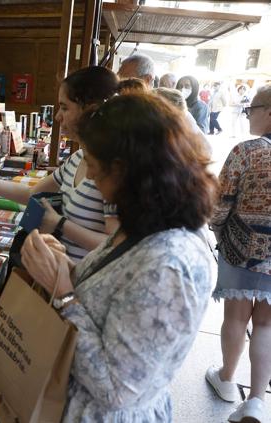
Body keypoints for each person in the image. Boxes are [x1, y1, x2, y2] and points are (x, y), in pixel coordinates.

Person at [20, 93, 217, 421]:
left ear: (124, 171)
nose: (92, 178)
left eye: (95, 168)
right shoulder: (147, 221)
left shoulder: (170, 266)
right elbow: (113, 294)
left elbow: (117, 389)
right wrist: (64, 268)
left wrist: (64, 294)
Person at [0, 66, 119, 262]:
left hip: (81, 284)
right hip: (57, 276)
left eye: (65, 108)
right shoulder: (76, 159)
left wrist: (60, 223)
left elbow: (116, 246)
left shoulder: (112, 172)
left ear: (91, 110)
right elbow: (32, 195)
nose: (58, 116)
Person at [206, 85, 271, 423]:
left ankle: (227, 379)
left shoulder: (247, 151)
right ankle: (258, 401)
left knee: (235, 317)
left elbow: (220, 204)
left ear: (270, 112)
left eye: (253, 108)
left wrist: (215, 230)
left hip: (241, 247)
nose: (249, 114)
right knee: (266, 326)